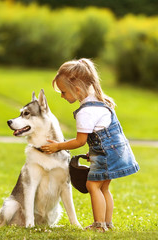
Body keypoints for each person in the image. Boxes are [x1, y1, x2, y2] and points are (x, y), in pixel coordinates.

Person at [41, 58, 139, 232]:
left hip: (106, 154)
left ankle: (99, 225)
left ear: (77, 89)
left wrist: (58, 146)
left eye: (63, 92)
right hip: (115, 151)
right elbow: (101, 135)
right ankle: (107, 223)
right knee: (104, 187)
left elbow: (80, 141)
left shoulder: (86, 111)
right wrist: (92, 153)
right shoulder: (101, 101)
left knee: (92, 186)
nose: (62, 96)